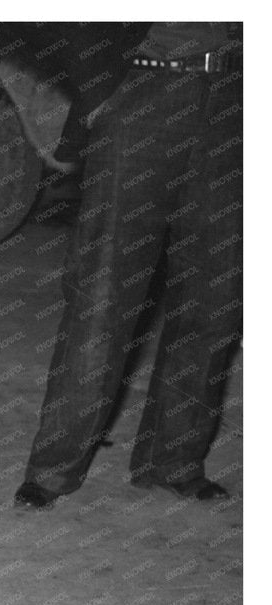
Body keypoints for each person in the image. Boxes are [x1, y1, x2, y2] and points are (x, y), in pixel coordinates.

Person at [14, 22, 242, 510]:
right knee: (103, 296)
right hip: (141, 94)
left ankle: (174, 462)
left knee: (214, 301)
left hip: (235, 100)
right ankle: (52, 471)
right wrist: (99, 92)